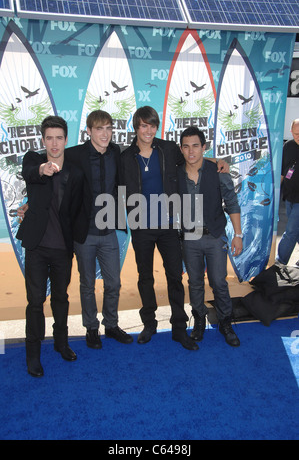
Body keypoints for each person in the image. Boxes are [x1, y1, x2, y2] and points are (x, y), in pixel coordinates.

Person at [120, 106, 228, 351]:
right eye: (143, 125)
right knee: (145, 277)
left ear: (157, 127)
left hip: (169, 224)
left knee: (174, 277)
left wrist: (218, 161)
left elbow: (194, 159)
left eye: (152, 125)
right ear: (136, 127)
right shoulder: (125, 157)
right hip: (141, 226)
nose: (148, 130)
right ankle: (149, 324)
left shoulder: (168, 148)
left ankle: (179, 327)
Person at [17, 116, 84, 377]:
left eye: (59, 138)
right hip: (36, 245)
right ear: (43, 140)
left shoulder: (75, 172)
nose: (54, 143)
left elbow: (78, 209)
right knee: (35, 301)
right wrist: (43, 170)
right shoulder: (33, 161)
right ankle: (32, 354)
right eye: (49, 138)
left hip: (62, 247)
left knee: (61, 299)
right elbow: (29, 172)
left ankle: (61, 343)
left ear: (66, 140)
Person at [65, 110, 133, 348]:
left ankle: (111, 325)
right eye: (99, 129)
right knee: (87, 284)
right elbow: (43, 161)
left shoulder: (116, 151)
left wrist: (215, 161)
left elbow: (150, 149)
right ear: (89, 131)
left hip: (108, 231)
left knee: (113, 282)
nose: (105, 134)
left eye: (108, 128)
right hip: (84, 233)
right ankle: (91, 328)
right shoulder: (74, 154)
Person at [177, 126, 242, 347]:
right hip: (189, 237)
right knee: (194, 282)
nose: (191, 151)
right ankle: (198, 320)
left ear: (204, 147)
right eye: (186, 146)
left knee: (218, 282)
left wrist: (238, 235)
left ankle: (225, 321)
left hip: (215, 235)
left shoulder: (218, 171)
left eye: (196, 145)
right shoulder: (176, 174)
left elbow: (232, 202)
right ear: (181, 149)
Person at [276, 119, 299, 266]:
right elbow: (282, 173)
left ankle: (280, 261)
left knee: (290, 230)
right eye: (296, 134)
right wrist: (275, 192)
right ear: (291, 132)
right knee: (296, 230)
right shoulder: (288, 146)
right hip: (289, 197)